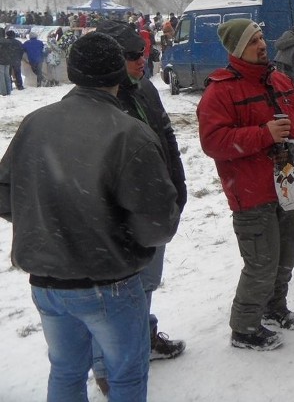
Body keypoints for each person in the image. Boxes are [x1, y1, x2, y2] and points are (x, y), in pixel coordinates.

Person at [0, 32, 181, 401]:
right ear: (119, 73)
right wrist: (115, 241)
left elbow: (6, 197)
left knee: (66, 372)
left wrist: (47, 224)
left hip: (48, 282)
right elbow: (159, 223)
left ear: (72, 71)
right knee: (126, 377)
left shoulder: (36, 123)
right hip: (108, 281)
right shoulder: (130, 133)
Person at [197, 18, 294, 351]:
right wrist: (264, 135)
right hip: (250, 193)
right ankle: (244, 328)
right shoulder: (221, 90)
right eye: (252, 41)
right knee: (262, 262)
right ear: (236, 50)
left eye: (261, 37)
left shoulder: (280, 81)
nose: (261, 44)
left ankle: (275, 309)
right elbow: (213, 141)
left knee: (286, 253)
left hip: (288, 185)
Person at [89, 20, 188, 393]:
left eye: (143, 54)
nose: (141, 62)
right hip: (116, 214)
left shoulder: (145, 88)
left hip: (153, 203)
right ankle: (105, 363)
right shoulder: (101, 98)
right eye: (132, 56)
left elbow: (165, 135)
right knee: (114, 291)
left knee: (145, 283)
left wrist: (177, 187)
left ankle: (143, 340)